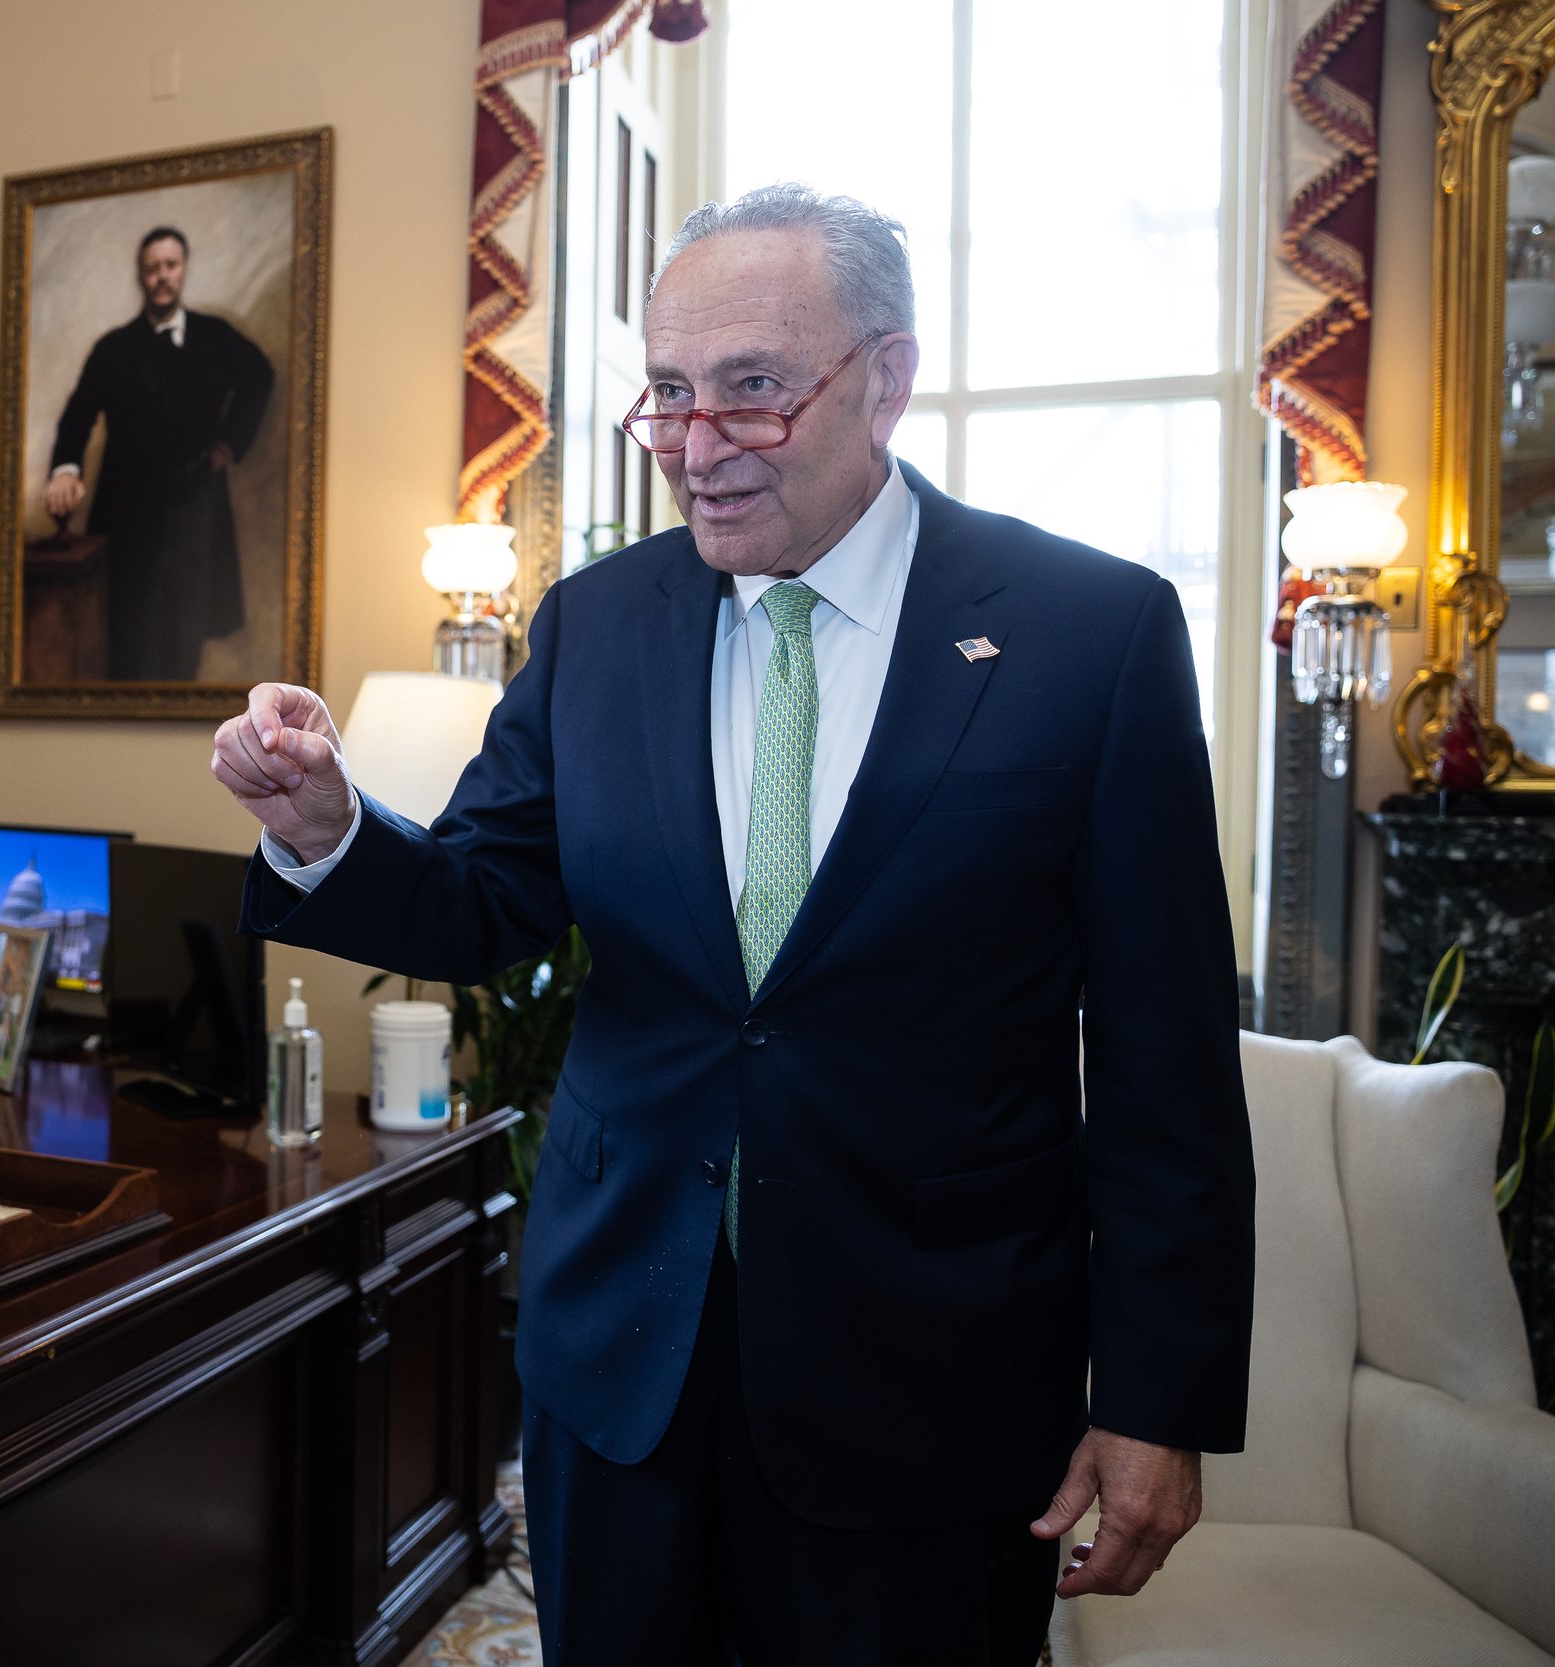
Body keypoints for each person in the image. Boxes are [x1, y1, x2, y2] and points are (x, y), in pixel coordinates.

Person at [210, 184, 1253, 1665]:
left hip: (930, 1382)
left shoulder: (1091, 633)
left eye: (754, 392)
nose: (698, 449)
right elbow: (481, 896)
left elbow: (1167, 1061)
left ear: (885, 376)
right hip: (623, 1360)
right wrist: (324, 825)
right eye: (672, 396)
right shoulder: (596, 622)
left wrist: (1158, 1396)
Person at [45, 226, 275, 681]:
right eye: (152, 269)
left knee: (186, 631)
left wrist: (228, 443)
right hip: (127, 515)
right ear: (141, 277)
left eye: (170, 266)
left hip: (195, 508)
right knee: (130, 636)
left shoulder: (214, 337)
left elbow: (259, 376)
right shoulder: (113, 349)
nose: (162, 277)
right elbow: (77, 416)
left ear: (184, 269)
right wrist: (65, 469)